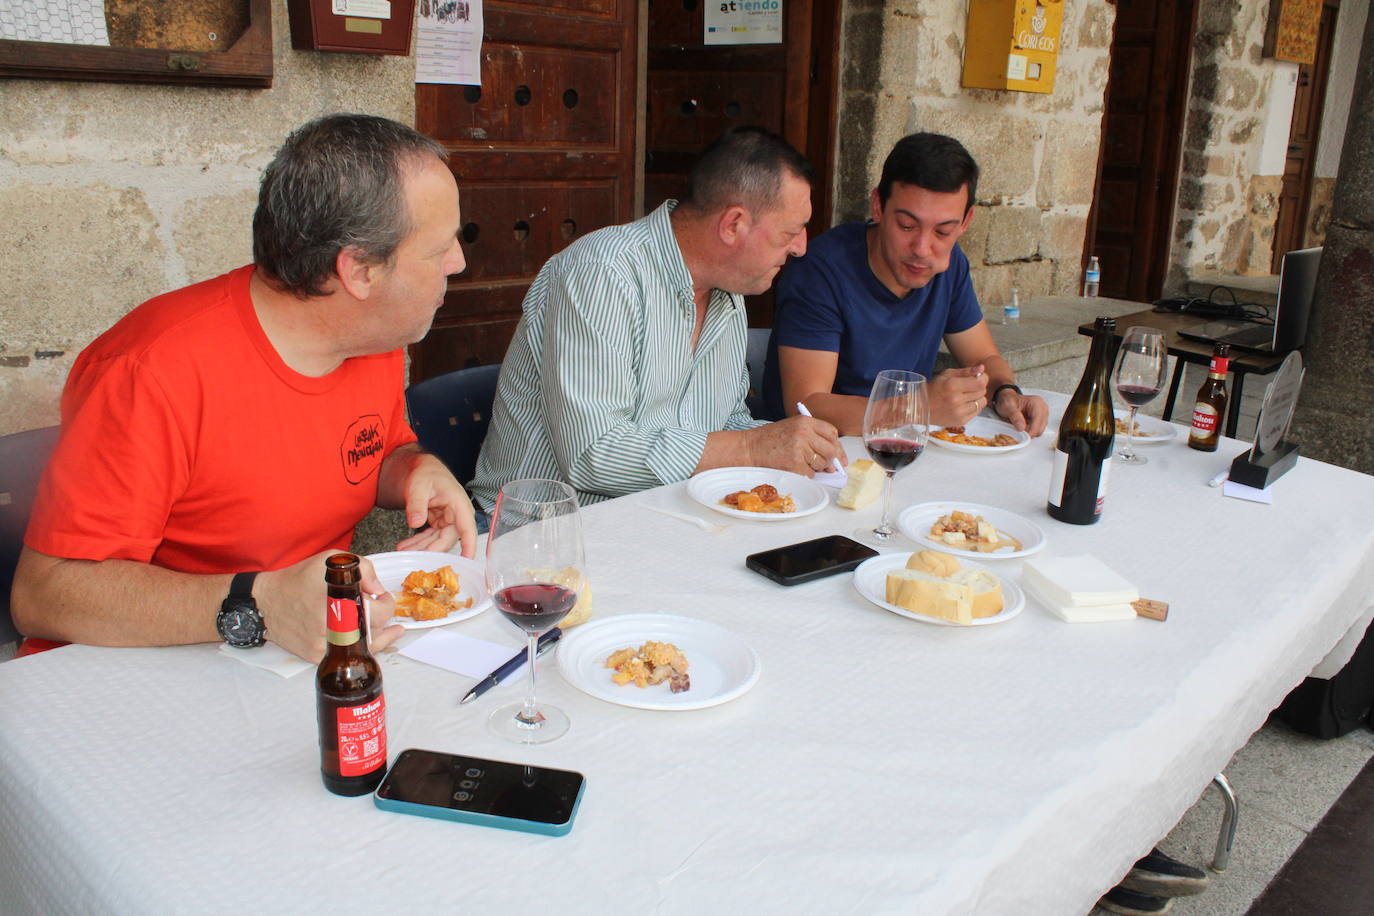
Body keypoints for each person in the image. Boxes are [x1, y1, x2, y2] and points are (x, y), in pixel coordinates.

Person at [11, 113, 478, 663]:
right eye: (440, 247)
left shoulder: (374, 336)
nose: (460, 262)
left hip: (293, 658)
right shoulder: (151, 370)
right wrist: (259, 604)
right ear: (359, 272)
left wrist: (414, 469)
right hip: (136, 673)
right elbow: (44, 595)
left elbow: (369, 454)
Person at [469, 126, 844, 510]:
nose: (801, 248)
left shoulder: (729, 286)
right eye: (791, 232)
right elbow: (593, 455)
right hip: (546, 529)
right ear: (733, 224)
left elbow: (725, 423)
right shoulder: (602, 274)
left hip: (660, 516)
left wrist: (799, 446)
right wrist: (752, 447)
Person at [762, 132, 1049, 437]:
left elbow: (983, 359)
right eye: (907, 226)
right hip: (812, 460)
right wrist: (918, 406)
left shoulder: (950, 267)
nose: (923, 248)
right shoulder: (821, 271)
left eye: (943, 232)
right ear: (878, 207)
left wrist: (1007, 393)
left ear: (965, 223)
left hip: (902, 445)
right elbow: (806, 407)